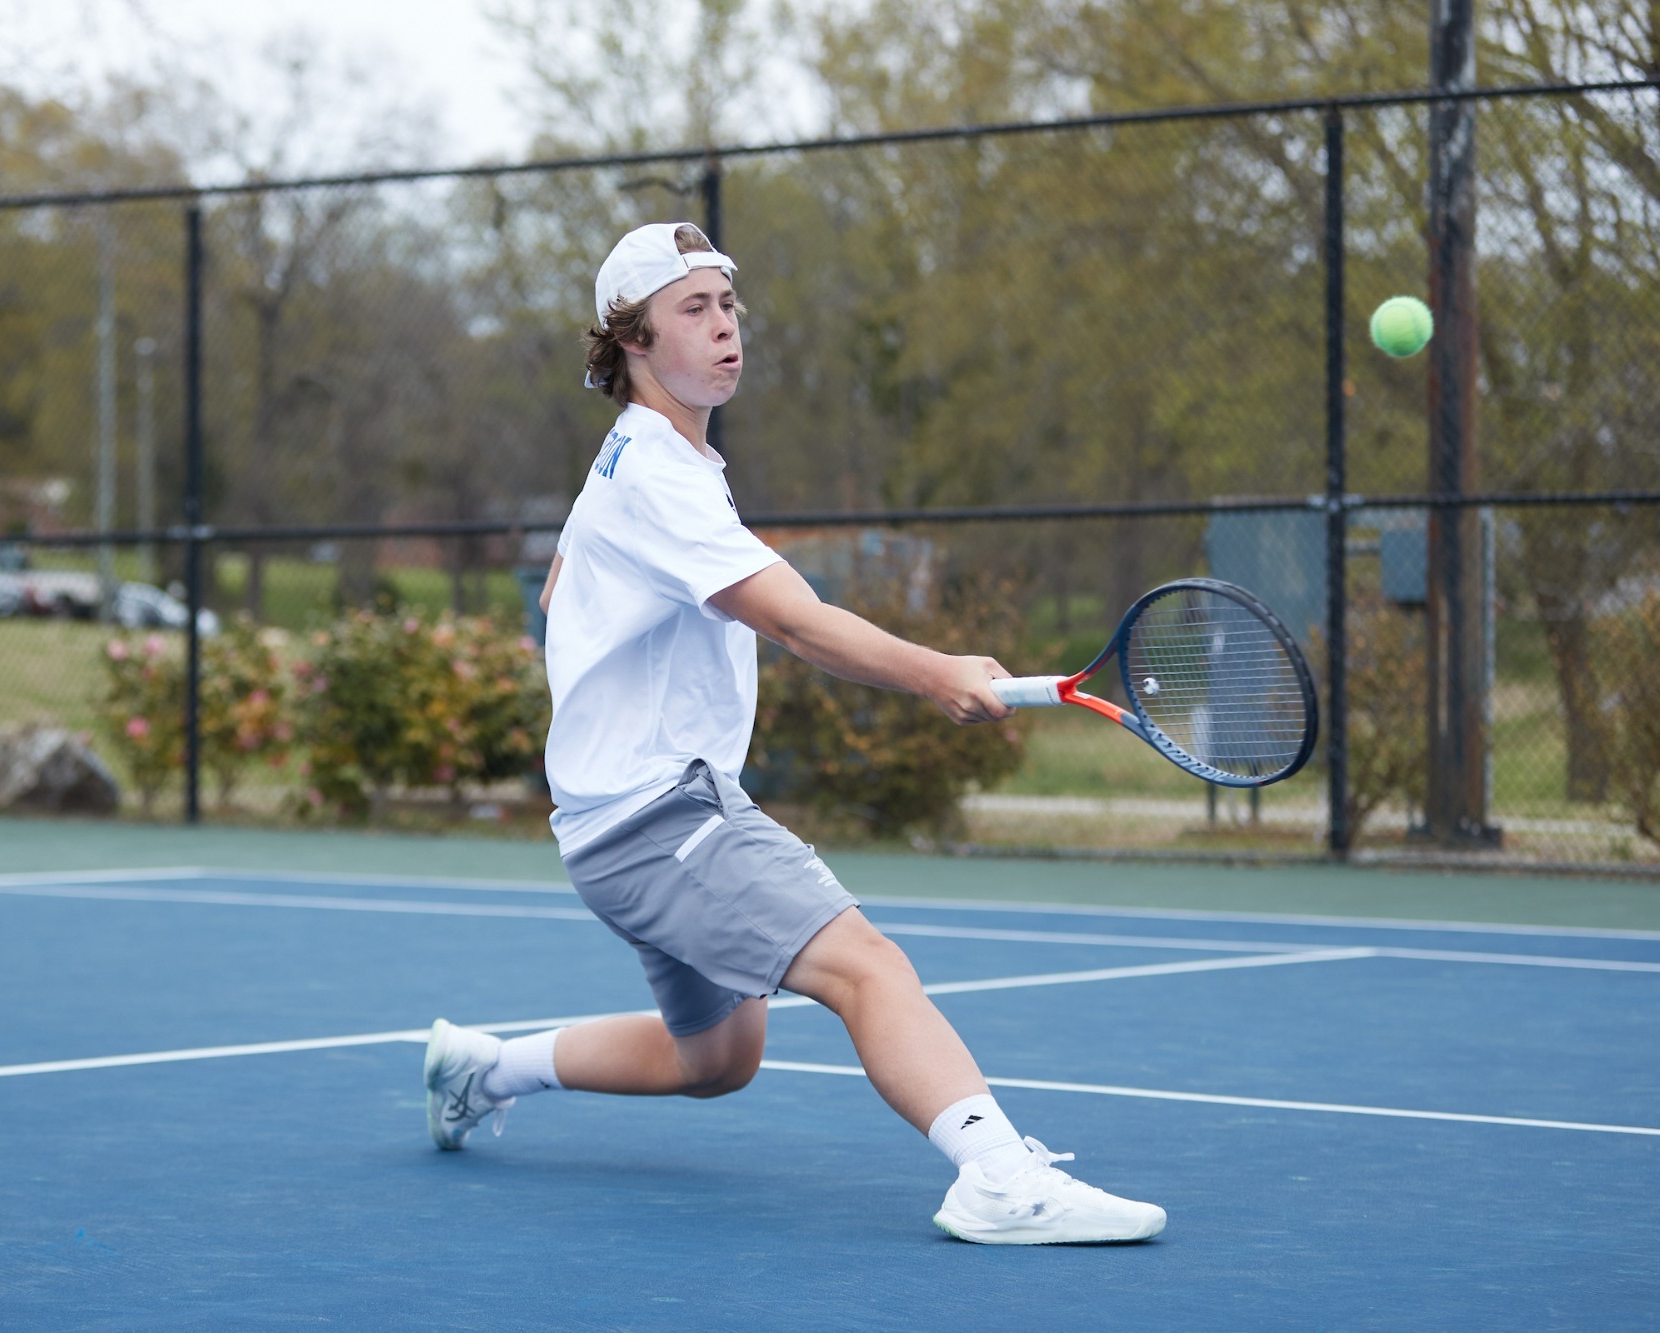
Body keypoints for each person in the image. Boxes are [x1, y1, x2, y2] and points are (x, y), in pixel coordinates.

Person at [424, 222, 1166, 1245]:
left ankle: (479, 1067)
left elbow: (570, 587)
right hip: (661, 814)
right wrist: (935, 672)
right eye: (694, 309)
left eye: (729, 306)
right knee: (867, 964)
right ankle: (995, 1174)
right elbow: (792, 618)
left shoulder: (646, 462)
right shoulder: (656, 470)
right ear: (631, 340)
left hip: (612, 824)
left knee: (716, 1063)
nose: (725, 327)